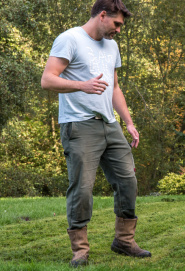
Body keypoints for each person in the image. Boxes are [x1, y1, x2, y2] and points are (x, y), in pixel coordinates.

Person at [41, 0, 151, 267]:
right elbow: (47, 79)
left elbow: (114, 87)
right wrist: (82, 85)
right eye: (117, 24)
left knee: (128, 182)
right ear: (102, 15)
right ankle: (80, 250)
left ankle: (124, 241)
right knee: (82, 188)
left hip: (110, 125)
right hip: (79, 125)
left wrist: (129, 122)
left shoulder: (112, 46)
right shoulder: (70, 39)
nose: (119, 30)